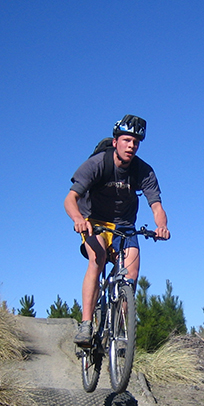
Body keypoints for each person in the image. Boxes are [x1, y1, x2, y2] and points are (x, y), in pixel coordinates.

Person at [64, 114, 170, 346]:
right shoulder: (98, 163)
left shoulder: (144, 171)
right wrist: (78, 219)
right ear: (115, 142)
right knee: (98, 258)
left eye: (136, 142)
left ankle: (119, 331)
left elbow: (157, 205)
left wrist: (161, 226)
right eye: (126, 140)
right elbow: (70, 198)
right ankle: (86, 324)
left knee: (130, 276)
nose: (131, 145)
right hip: (95, 222)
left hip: (125, 227)